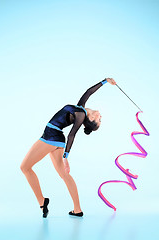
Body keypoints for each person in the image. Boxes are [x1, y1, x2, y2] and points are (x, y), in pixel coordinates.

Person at [20, 77, 116, 218]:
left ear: (91, 120)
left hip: (51, 137)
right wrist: (105, 81)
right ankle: (77, 210)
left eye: (99, 120)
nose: (100, 116)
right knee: (64, 175)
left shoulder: (81, 115)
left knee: (25, 167)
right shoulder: (80, 108)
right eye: (101, 119)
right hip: (56, 138)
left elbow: (72, 135)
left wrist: (66, 157)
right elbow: (88, 92)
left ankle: (42, 201)